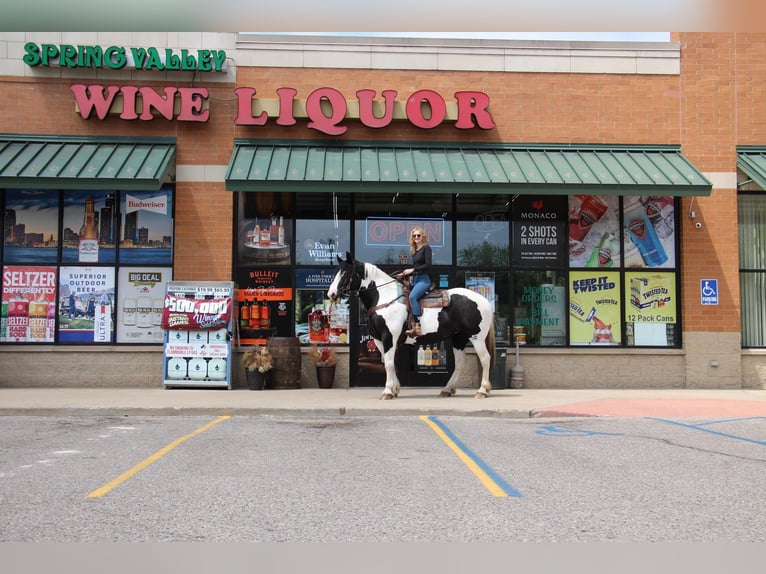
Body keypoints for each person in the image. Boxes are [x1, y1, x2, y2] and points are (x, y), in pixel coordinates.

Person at [403, 227, 432, 337]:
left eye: (418, 235)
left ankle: (417, 327)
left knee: (412, 297)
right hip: (415, 279)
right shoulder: (414, 250)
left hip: (423, 280)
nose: (416, 237)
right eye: (414, 235)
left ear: (423, 236)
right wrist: (406, 273)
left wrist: (412, 270)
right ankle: (408, 324)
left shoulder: (426, 248)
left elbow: (428, 265)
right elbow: (417, 266)